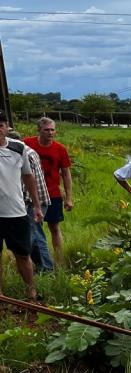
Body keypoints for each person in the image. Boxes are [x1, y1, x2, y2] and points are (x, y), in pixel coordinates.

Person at [0, 112, 44, 300]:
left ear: (7, 126)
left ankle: (31, 290)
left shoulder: (19, 148)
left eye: (0, 124)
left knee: (23, 253)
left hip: (15, 210)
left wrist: (36, 205)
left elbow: (28, 176)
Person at [24, 117, 73, 264]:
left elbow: (66, 173)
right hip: (31, 194)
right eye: (46, 130)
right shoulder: (27, 143)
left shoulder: (60, 149)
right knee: (33, 229)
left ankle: (59, 259)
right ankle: (36, 261)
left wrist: (69, 197)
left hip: (53, 194)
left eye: (52, 129)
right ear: (39, 130)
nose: (50, 133)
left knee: (54, 227)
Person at [9, 130, 53, 272]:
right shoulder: (30, 151)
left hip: (30, 201)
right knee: (36, 234)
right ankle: (44, 268)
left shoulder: (20, 153)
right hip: (39, 200)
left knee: (31, 237)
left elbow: (25, 180)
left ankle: (45, 268)